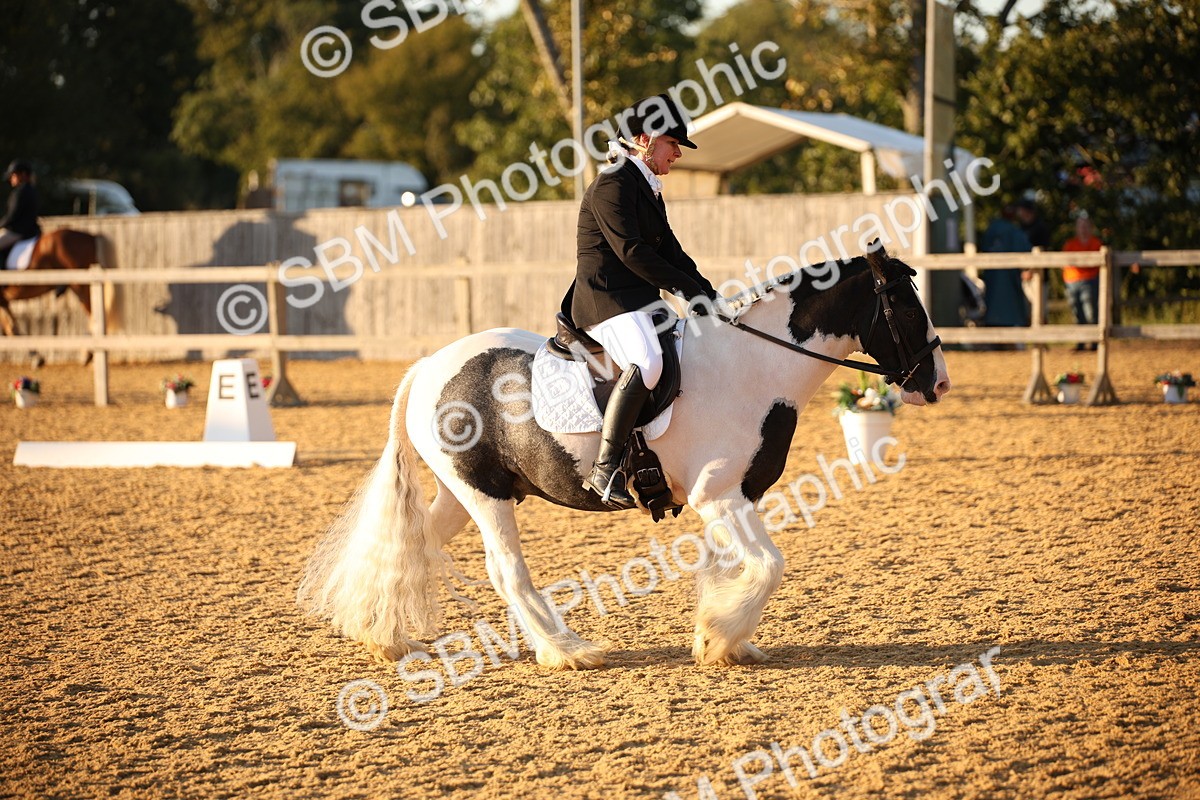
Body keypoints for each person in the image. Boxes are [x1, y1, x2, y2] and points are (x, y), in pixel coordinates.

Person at [561, 94, 726, 509]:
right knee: (649, 362)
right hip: (606, 302)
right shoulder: (612, 184)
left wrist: (708, 293)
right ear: (645, 139)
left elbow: (671, 251)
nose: (677, 155)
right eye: (672, 144)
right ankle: (606, 467)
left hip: (639, 302)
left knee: (690, 351)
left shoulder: (646, 188)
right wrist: (687, 292)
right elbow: (632, 252)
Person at [979, 203, 1031, 331]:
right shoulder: (1014, 231)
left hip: (993, 280)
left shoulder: (991, 230)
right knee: (1011, 312)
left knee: (994, 311)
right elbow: (1026, 251)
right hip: (1009, 280)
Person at [1062, 213, 1103, 350]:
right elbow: (1065, 263)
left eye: (1085, 226)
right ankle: (1080, 342)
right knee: (1077, 312)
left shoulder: (1096, 243)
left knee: (1090, 311)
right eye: (1080, 226)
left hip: (1090, 280)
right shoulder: (1070, 244)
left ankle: (1094, 342)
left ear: (1090, 228)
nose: (1083, 229)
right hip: (1072, 282)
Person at [0, 160, 41, 265]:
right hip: (30, 230)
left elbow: (12, 216)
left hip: (18, 231)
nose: (11, 178)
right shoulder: (32, 190)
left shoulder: (20, 192)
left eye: (13, 175)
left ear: (23, 174)